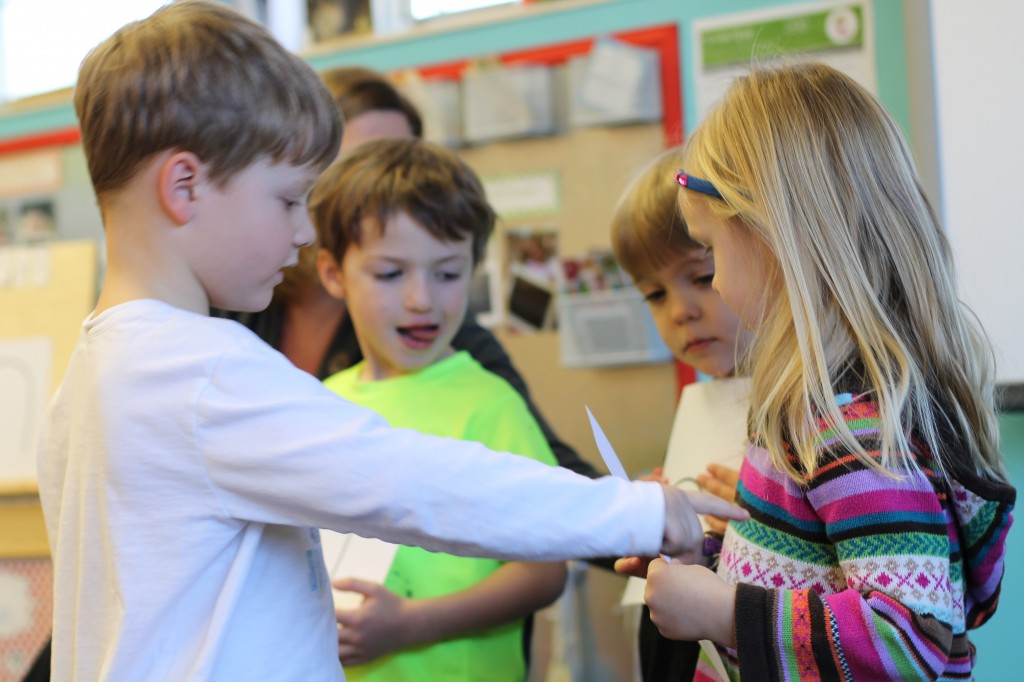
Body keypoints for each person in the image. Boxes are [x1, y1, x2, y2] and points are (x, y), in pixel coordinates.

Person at [36, 3, 748, 679]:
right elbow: (415, 484)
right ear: (184, 186)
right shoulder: (202, 373)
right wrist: (635, 512)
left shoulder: (89, 381)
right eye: (287, 199)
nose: (303, 231)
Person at [619, 62, 1016, 680]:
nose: (715, 285)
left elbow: (910, 642)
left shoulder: (852, 431)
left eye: (712, 253)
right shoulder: (804, 412)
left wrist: (722, 612)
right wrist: (698, 555)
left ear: (777, 240)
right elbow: (799, 572)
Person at [220, 65, 600, 478]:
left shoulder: (477, 378)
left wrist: (628, 504)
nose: (421, 299)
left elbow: (553, 484)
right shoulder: (242, 306)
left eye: (447, 274)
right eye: (359, 165)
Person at [312, 137, 566, 680]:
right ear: (333, 273)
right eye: (390, 274)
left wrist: (410, 624)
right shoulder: (320, 403)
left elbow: (544, 573)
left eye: (447, 274)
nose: (421, 300)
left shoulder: (490, 405)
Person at [610, 146, 751, 681]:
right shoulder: (706, 403)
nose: (680, 311)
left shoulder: (830, 416)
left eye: (702, 274)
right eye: (654, 293)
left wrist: (774, 514)